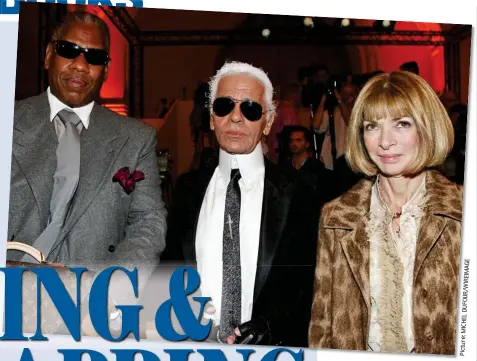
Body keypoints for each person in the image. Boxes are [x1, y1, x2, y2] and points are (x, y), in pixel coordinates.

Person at [7, 11, 166, 313]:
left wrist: (110, 289)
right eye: (69, 51)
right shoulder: (9, 121)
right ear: (48, 56)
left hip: (92, 305)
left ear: (105, 70)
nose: (80, 65)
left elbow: (148, 222)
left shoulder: (135, 139)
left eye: (94, 57)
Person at [164, 61, 318, 347]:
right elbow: (169, 268)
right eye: (224, 106)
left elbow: (307, 283)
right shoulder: (187, 190)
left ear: (268, 122)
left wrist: (270, 326)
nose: (236, 118)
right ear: (211, 118)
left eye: (250, 109)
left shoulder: (299, 192)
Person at [308, 71, 463, 355]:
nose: (385, 141)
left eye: (402, 124)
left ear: (427, 128)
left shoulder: (462, 212)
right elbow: (322, 328)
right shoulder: (337, 217)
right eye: (372, 126)